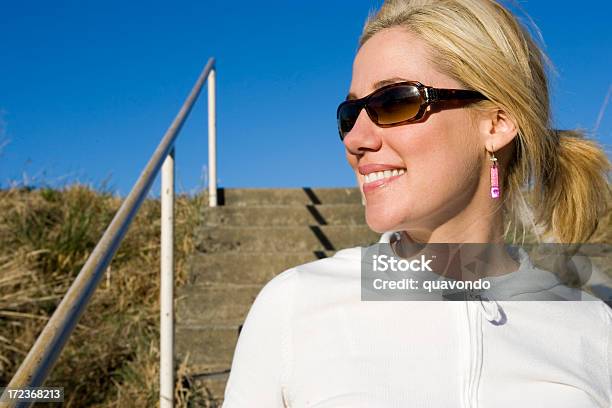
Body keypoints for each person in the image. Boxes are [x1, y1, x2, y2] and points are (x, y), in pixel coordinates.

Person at [222, 0, 611, 406]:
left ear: (497, 123)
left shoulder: (593, 328)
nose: (355, 139)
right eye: (349, 114)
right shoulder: (295, 305)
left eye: (394, 102)